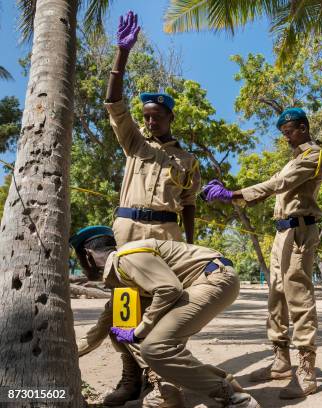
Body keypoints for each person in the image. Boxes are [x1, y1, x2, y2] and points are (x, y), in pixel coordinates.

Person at [76, 11, 201, 406]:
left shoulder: (187, 160)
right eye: (146, 116)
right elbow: (113, 101)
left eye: (157, 116)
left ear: (170, 118)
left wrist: (192, 247)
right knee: (124, 310)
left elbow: (189, 206)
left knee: (165, 310)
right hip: (128, 235)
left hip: (166, 237)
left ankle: (164, 383)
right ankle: (132, 379)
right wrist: (121, 54)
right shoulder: (135, 145)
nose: (150, 122)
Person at [201, 108, 322, 399]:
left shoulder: (313, 156)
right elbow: (273, 183)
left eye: (290, 132)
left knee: (299, 297)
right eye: (283, 134)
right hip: (282, 232)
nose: (286, 138)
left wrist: (233, 194)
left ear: (304, 128)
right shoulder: (292, 160)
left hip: (300, 232)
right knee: (277, 296)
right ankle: (281, 360)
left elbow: (277, 185)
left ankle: (306, 371)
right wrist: (232, 192)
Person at [69, 226, 260, 408]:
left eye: (80, 260)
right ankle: (169, 391)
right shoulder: (120, 272)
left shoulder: (126, 258)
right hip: (205, 281)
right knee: (121, 329)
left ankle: (236, 398)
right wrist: (68, 353)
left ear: (88, 255)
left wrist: (139, 331)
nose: (82, 267)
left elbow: (169, 289)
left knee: (155, 347)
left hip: (213, 278)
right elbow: (102, 326)